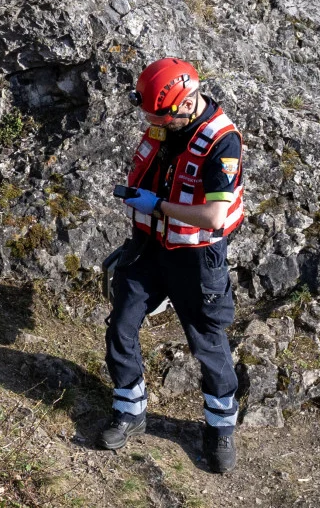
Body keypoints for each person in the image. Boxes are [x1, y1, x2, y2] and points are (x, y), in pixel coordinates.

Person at [100, 57, 244, 474]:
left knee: (206, 341)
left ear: (184, 105)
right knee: (122, 323)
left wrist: (157, 206)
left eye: (159, 115)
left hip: (195, 257)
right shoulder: (167, 123)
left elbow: (215, 218)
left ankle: (220, 428)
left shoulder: (222, 143)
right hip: (149, 246)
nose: (153, 123)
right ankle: (129, 410)